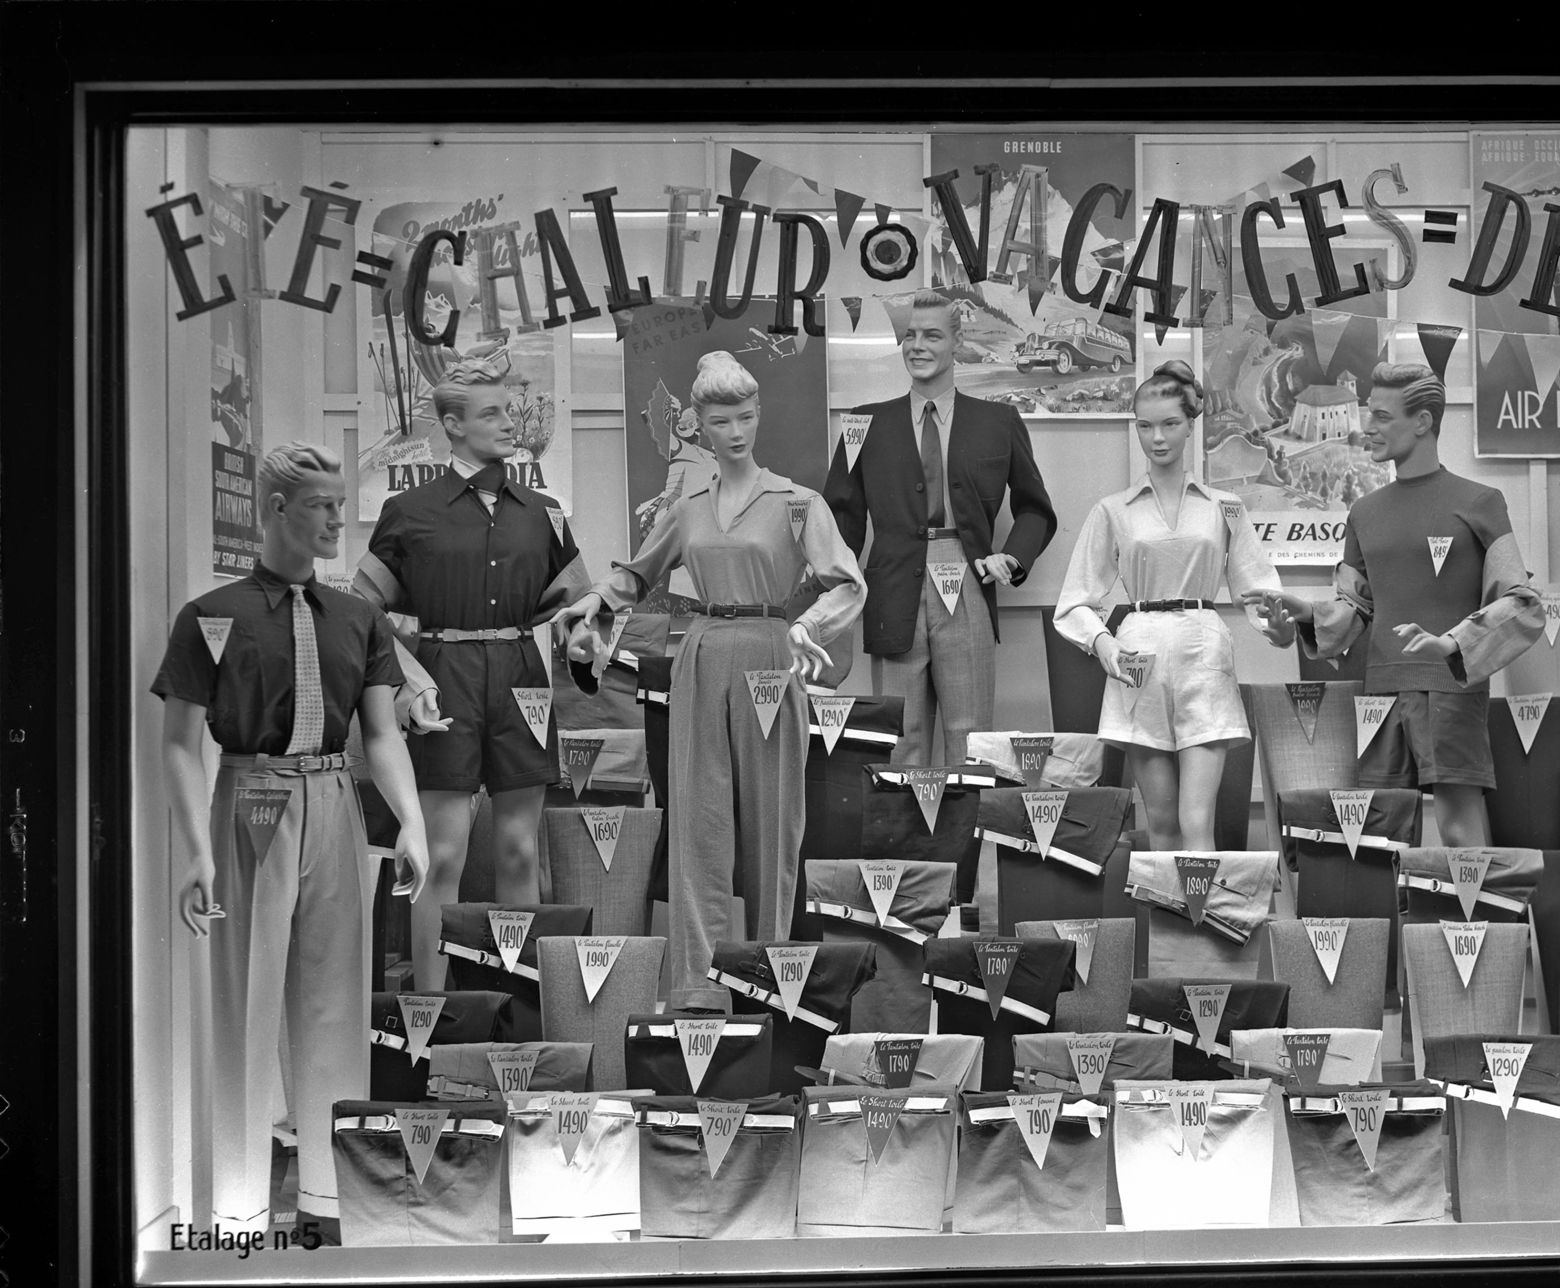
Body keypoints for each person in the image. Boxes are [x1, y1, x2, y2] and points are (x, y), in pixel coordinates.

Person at [154, 442, 429, 1241]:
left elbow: (381, 732)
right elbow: (178, 742)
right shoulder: (212, 616)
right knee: (244, 998)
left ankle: (328, 1202)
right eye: (322, 504)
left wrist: (408, 819)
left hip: (334, 799)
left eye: (341, 503)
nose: (339, 518)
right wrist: (197, 851)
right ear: (277, 509)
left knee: (336, 1001)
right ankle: (238, 1211)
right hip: (251, 795)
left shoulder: (357, 617)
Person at [556, 351, 865, 1002]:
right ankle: (701, 988)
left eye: (747, 416)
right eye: (722, 420)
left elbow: (846, 583)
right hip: (701, 650)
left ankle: (770, 976)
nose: (737, 431)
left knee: (773, 817)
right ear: (699, 424)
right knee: (698, 819)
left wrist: (812, 628)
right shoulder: (689, 503)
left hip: (771, 652)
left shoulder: (796, 502)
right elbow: (638, 572)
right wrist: (597, 601)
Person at [353, 357, 593, 993]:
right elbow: (361, 611)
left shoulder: (544, 512)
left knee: (519, 851)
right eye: (492, 413)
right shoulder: (408, 511)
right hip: (443, 677)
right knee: (443, 854)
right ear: (452, 425)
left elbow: (575, 609)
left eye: (510, 409)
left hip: (523, 680)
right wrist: (408, 676)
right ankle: (432, 1012)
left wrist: (588, 633)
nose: (509, 423)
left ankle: (518, 1009)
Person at [1268, 363, 1544, 847]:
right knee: (1379, 837)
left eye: (1380, 416)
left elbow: (1522, 603)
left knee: (1460, 826)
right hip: (1380, 692)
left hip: (1451, 690)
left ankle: (1476, 923)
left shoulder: (1481, 501)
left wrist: (1454, 642)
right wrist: (1309, 613)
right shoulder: (1364, 512)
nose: (1367, 428)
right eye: (1367, 414)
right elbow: (1356, 608)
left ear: (1422, 422)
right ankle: (1397, 926)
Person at [1053, 361, 1293, 849]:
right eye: (1145, 425)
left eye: (1170, 424)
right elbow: (1075, 601)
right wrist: (1102, 642)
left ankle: (1202, 925)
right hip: (1136, 654)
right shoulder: (1112, 510)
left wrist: (1282, 629)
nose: (1157, 438)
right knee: (1159, 824)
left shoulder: (1225, 506)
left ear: (1190, 424)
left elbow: (1259, 588)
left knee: (1197, 821)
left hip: (1203, 652)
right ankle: (1165, 924)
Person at [822, 289, 1058, 766]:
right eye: (909, 336)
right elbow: (839, 517)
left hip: (969, 579)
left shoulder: (1000, 420)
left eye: (932, 335)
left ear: (958, 341)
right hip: (890, 587)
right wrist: (835, 595)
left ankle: (962, 841)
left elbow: (1035, 508)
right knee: (898, 739)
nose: (918, 346)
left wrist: (1011, 557)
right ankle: (901, 843)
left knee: (970, 742)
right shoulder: (861, 424)